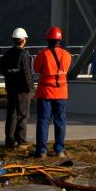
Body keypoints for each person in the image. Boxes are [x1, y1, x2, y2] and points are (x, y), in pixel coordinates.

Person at [31, 26, 71, 158]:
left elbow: (36, 69)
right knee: (60, 121)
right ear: (60, 39)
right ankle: (60, 150)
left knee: (43, 121)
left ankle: (42, 150)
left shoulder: (43, 54)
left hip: (45, 93)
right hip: (61, 93)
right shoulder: (67, 55)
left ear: (47, 39)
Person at [1, 27, 33, 149]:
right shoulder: (23, 54)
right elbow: (26, 72)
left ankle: (9, 141)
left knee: (12, 115)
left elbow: (4, 71)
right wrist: (30, 87)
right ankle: (21, 140)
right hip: (22, 90)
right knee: (23, 114)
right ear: (23, 40)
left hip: (11, 88)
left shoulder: (7, 53)